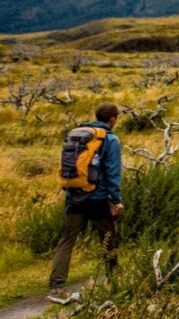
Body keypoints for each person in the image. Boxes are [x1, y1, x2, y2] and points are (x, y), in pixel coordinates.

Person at [48, 102, 123, 301]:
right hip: (98, 199)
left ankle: (56, 287)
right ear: (113, 119)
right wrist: (116, 200)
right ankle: (113, 280)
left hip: (74, 196)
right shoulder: (110, 139)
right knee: (108, 239)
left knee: (66, 241)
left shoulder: (78, 134)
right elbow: (112, 173)